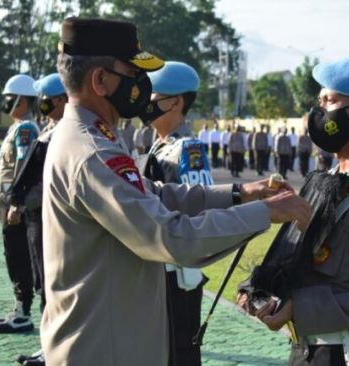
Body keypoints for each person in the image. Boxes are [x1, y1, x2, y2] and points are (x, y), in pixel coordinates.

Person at [42, 17, 312, 366]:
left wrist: (240, 193)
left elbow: (154, 194)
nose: (142, 85)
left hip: (107, 339)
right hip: (103, 349)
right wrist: (265, 213)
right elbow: (170, 236)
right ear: (100, 81)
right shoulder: (92, 150)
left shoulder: (91, 137)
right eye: (134, 73)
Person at [238, 57, 349, 366]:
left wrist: (299, 308)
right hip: (304, 352)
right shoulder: (325, 180)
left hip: (344, 355)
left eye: (331, 101)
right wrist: (258, 290)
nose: (319, 112)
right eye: (319, 101)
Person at [139, 60, 213, 366]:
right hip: (155, 263)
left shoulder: (187, 149)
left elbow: (198, 206)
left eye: (153, 98)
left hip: (175, 270)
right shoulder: (159, 145)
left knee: (179, 351)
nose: (146, 104)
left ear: (176, 102)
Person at [7, 73, 67, 366]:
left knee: (51, 285)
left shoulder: (63, 133)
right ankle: (48, 346)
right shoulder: (49, 129)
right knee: (42, 283)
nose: (42, 104)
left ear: (61, 101)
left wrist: (22, 203)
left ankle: (52, 350)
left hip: (48, 217)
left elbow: (48, 183)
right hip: (35, 217)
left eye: (48, 100)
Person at [0, 74, 40, 334]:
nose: (6, 102)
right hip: (7, 198)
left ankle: (23, 313)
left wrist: (17, 205)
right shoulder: (18, 126)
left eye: (9, 98)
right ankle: (19, 307)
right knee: (13, 254)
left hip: (14, 202)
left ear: (22, 100)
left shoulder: (25, 129)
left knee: (19, 256)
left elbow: (23, 169)